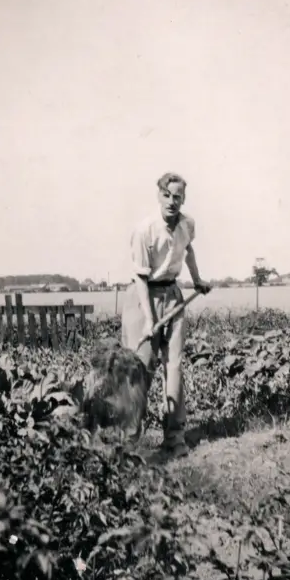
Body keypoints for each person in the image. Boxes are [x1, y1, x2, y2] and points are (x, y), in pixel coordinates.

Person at [121, 172, 211, 459]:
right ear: (158, 195)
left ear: (184, 198)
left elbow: (188, 251)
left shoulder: (187, 225)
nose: (172, 202)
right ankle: (130, 443)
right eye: (167, 195)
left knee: (174, 366)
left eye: (178, 196)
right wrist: (148, 320)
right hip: (143, 299)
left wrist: (197, 280)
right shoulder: (144, 229)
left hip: (173, 297)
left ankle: (174, 439)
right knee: (140, 369)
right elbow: (140, 279)